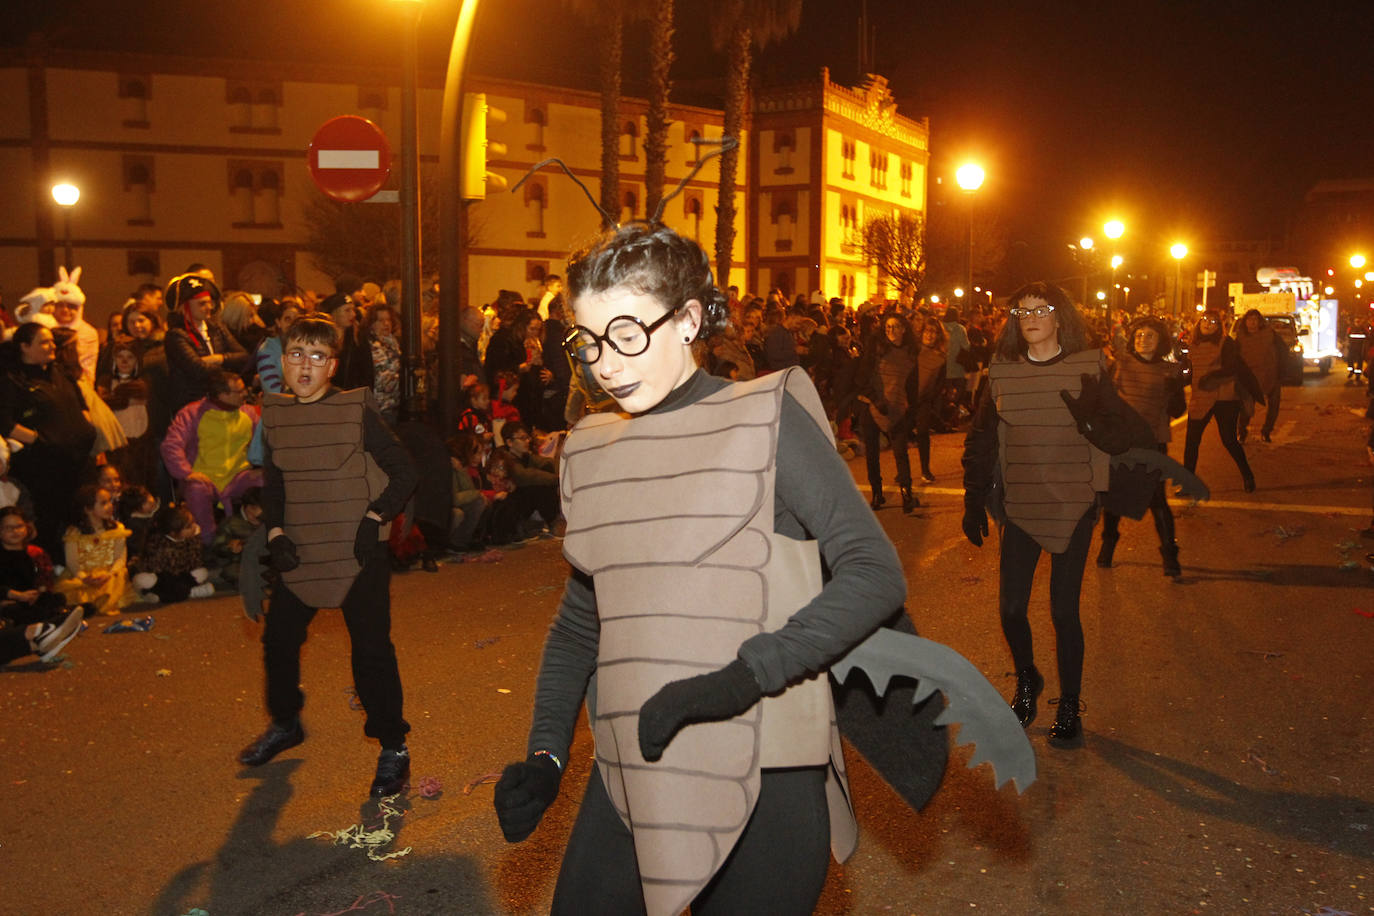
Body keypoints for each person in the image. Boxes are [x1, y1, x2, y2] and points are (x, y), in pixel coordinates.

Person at [492, 222, 906, 915]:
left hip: (764, 767)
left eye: (627, 334)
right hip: (631, 768)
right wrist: (546, 758)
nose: (606, 365)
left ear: (687, 320)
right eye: (588, 342)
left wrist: (744, 677)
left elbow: (873, 571)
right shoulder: (591, 447)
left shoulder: (767, 419)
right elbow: (578, 627)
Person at [238, 316, 418, 799]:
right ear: (283, 359)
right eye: (296, 354)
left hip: (359, 550)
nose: (305, 366)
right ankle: (285, 722)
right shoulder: (274, 414)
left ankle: (393, 749)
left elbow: (404, 471)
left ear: (332, 365)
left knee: (372, 652)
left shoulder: (355, 411)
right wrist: (275, 532)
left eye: (317, 357)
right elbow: (274, 483)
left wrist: (374, 518)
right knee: (278, 641)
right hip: (302, 548)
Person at [962, 282, 1118, 750]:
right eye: (1020, 309)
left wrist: (1099, 492)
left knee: (1063, 609)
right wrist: (973, 499)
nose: (1029, 317)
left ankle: (1069, 703)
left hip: (1072, 504)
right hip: (1021, 504)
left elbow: (1112, 434)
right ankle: (1028, 679)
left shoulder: (1088, 370)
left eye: (1040, 309)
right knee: (1011, 608)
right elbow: (982, 438)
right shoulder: (1002, 373)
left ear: (1059, 318)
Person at [1096, 316, 1187, 577]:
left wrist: (1175, 390)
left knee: (1157, 500)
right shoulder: (1120, 364)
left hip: (1152, 444)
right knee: (1114, 499)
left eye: (1149, 336)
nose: (1143, 340)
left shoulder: (1168, 371)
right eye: (1139, 335)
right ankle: (1108, 543)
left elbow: (1179, 409)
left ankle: (1170, 555)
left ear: (1160, 341)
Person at [0, 323, 97, 557]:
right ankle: (50, 567)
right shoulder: (13, 379)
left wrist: (85, 428)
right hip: (43, 468)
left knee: (79, 515)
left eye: (52, 341)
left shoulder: (59, 371)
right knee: (49, 519)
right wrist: (39, 440)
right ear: (24, 347)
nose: (52, 346)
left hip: (77, 461)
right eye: (44, 342)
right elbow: (5, 422)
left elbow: (81, 404)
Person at [161, 370, 262, 546]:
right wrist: (186, 473)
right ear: (222, 395)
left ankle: (260, 536)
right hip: (204, 477)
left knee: (265, 480)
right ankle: (208, 544)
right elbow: (171, 445)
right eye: (238, 391)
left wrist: (261, 467)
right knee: (196, 489)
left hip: (238, 476)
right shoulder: (192, 413)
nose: (245, 393)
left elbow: (266, 442)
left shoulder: (249, 413)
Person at [1182, 310, 1259, 492]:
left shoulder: (1227, 343)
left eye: (1213, 322)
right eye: (1205, 321)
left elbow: (1232, 367)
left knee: (1229, 440)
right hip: (1200, 398)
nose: (1208, 324)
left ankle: (1247, 475)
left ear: (1219, 326)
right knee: (1191, 441)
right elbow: (1189, 372)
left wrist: (1212, 376)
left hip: (1224, 398)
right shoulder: (1192, 345)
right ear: (1199, 324)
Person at [856, 314, 921, 512]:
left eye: (895, 327)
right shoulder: (876, 351)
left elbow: (912, 385)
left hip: (898, 407)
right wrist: (876, 400)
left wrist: (911, 411)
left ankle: (906, 494)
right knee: (872, 454)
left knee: (901, 452)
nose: (891, 331)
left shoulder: (911, 354)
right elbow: (862, 379)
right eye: (887, 327)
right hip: (873, 406)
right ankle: (877, 494)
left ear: (904, 329)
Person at [163, 273, 251, 414]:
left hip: (222, 403)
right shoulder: (176, 335)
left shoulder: (217, 328)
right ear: (185, 307)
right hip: (192, 407)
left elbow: (244, 357)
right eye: (202, 303)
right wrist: (229, 369)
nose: (209, 307)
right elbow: (197, 369)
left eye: (210, 302)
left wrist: (219, 359)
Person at [56, 484, 135, 615]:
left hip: (110, 574)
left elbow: (120, 559)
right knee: (74, 590)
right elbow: (72, 562)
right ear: (88, 509)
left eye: (110, 501)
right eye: (104, 503)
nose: (110, 506)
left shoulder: (117, 529)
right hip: (84, 575)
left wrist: (109, 574)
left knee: (111, 587)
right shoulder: (74, 533)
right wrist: (84, 577)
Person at [132, 504, 215, 604]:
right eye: (188, 527)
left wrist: (195, 541)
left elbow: (195, 562)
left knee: (202, 572)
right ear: (173, 533)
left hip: (182, 576)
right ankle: (187, 593)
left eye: (193, 522)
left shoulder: (192, 538)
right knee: (142, 579)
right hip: (162, 578)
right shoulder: (157, 543)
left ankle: (166, 596)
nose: (194, 527)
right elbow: (160, 569)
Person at [1233, 308, 1284, 443]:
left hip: (1270, 375)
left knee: (1273, 406)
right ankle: (1242, 431)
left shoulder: (1270, 335)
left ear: (1260, 321)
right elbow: (1235, 357)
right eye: (1250, 319)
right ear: (1245, 322)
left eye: (1255, 319)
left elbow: (1282, 351)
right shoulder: (1240, 338)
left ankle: (1266, 431)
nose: (1253, 323)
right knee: (1246, 409)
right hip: (1249, 378)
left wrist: (1281, 370)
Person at [910, 316, 949, 484]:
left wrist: (931, 398)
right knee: (900, 433)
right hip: (906, 398)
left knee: (923, 433)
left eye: (934, 332)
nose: (930, 335)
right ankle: (902, 471)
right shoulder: (913, 351)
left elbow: (940, 381)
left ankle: (925, 469)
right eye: (927, 331)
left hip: (924, 402)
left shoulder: (940, 357)